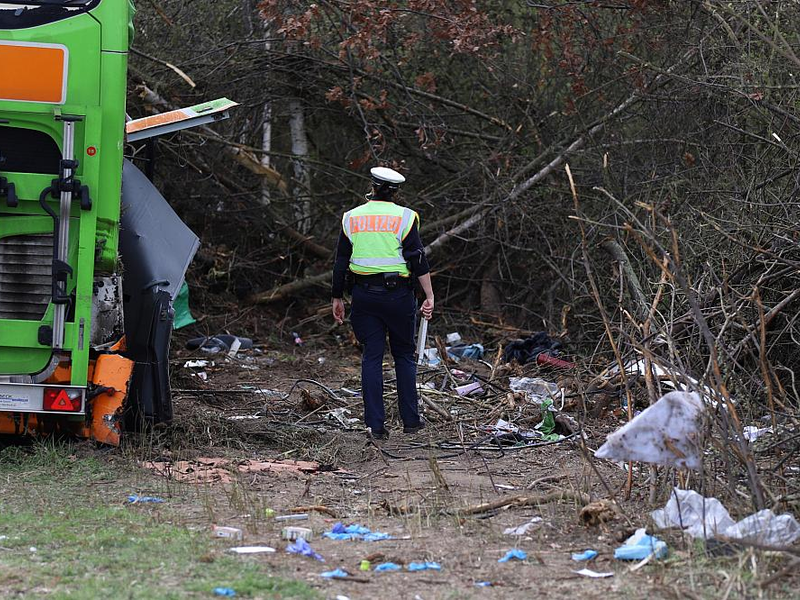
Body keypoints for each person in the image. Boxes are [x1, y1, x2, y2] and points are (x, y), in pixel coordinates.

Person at [331, 166, 434, 440]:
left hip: (364, 296)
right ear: (396, 191)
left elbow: (341, 260)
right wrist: (429, 296)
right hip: (399, 297)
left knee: (372, 358)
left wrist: (336, 296)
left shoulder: (351, 218)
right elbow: (417, 258)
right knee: (403, 355)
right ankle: (411, 420)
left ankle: (375, 426)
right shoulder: (406, 217)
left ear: (372, 187)